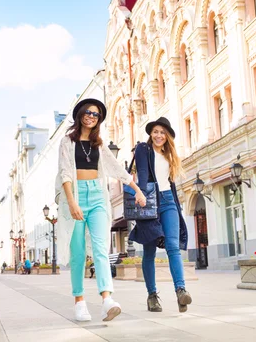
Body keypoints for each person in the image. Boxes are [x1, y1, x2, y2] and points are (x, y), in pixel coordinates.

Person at [56, 98, 147, 322]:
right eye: (87, 112)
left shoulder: (98, 144)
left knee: (100, 248)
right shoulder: (67, 142)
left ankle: (107, 300)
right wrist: (72, 202)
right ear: (79, 115)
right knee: (78, 254)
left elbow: (116, 168)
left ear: (99, 119)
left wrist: (137, 189)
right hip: (75, 197)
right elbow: (65, 173)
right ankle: (79, 301)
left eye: (95, 114)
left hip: (97, 197)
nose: (91, 116)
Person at [129, 117, 192, 313]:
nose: (158, 135)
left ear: (167, 136)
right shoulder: (143, 149)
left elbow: (169, 182)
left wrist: (176, 204)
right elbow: (143, 174)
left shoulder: (169, 155)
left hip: (168, 201)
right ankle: (152, 296)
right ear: (150, 133)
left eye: (162, 132)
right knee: (149, 252)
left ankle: (181, 291)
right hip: (149, 201)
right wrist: (144, 199)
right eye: (155, 131)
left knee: (173, 247)